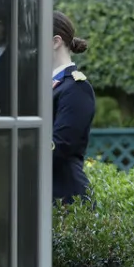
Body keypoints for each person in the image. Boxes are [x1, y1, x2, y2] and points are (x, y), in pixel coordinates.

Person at [51, 11, 96, 205]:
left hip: (66, 197)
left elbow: (60, 146)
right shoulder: (44, 85)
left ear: (55, 42)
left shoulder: (76, 87)